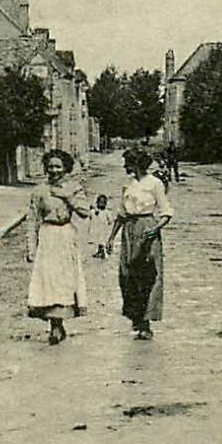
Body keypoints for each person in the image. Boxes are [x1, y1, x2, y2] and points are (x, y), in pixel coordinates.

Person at [107, 146, 173, 340]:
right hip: (129, 230)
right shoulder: (128, 185)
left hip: (147, 230)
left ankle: (146, 322)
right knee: (127, 275)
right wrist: (110, 238)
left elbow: (166, 211)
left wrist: (155, 229)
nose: (125, 166)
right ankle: (135, 316)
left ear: (137, 163)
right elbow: (121, 213)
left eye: (128, 162)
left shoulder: (155, 183)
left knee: (147, 275)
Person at [26, 148, 89, 345]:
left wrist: (67, 197)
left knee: (64, 280)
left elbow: (85, 211)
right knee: (48, 279)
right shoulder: (39, 191)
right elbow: (32, 219)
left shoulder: (74, 188)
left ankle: (59, 322)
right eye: (50, 166)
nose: (54, 170)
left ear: (65, 168)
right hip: (47, 235)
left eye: (58, 166)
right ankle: (54, 325)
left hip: (66, 236)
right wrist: (31, 247)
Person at [89, 194, 112, 258]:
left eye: (103, 203)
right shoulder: (95, 211)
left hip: (103, 229)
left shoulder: (106, 212)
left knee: (102, 241)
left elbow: (110, 220)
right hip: (97, 229)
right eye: (100, 202)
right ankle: (100, 252)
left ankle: (103, 252)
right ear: (97, 203)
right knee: (99, 241)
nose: (102, 204)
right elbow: (90, 215)